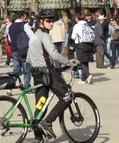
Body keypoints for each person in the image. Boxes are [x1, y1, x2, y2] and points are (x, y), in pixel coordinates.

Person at [26, 9, 78, 142]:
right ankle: (48, 122)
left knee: (40, 105)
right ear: (41, 22)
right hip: (48, 72)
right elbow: (54, 54)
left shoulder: (34, 37)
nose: (51, 23)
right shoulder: (44, 35)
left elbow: (28, 59)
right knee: (66, 97)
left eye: (52, 21)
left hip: (36, 73)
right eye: (48, 21)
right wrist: (69, 63)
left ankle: (38, 138)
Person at [8, 12, 30, 86]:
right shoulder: (24, 25)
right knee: (26, 69)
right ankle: (26, 87)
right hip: (23, 49)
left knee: (16, 69)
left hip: (14, 49)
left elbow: (9, 38)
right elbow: (31, 35)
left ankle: (11, 85)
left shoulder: (10, 26)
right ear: (22, 17)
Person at [70, 13, 94, 84]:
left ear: (77, 18)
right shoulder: (87, 25)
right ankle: (84, 79)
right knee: (85, 62)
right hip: (89, 44)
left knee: (79, 61)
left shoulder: (77, 26)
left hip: (80, 45)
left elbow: (73, 36)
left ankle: (88, 75)